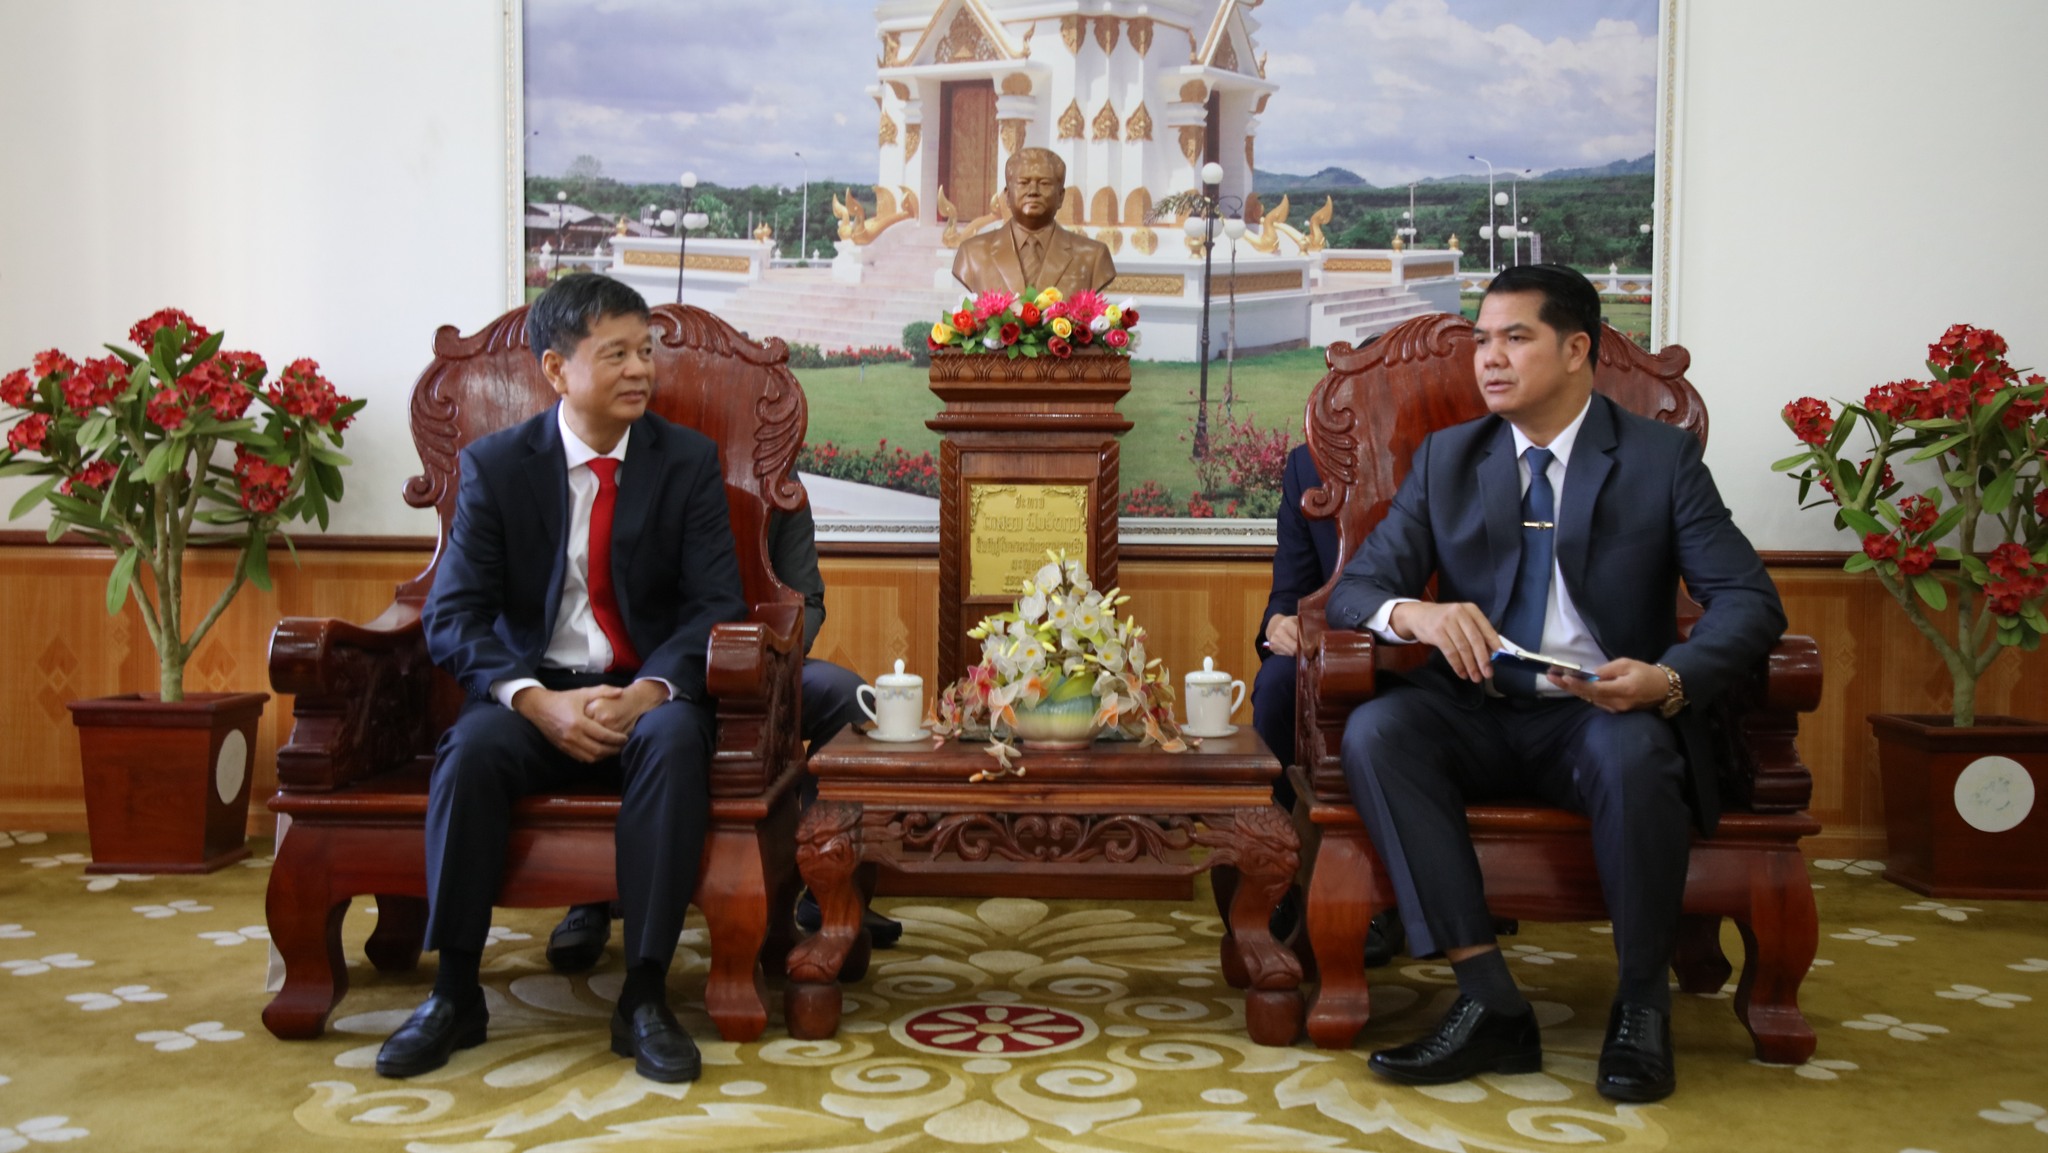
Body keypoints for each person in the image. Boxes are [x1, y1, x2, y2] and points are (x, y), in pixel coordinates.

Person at [1325, 264, 1785, 1103]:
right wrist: (1418, 615)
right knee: (1379, 731)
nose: (1489, 358)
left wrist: (1667, 679)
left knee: (1634, 753)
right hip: (1479, 707)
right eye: (1481, 340)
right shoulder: (1449, 458)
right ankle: (1489, 999)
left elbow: (1751, 602)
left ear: (1577, 350)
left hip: (1600, 713)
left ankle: (1641, 1008)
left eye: (1515, 337)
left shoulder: (1659, 459)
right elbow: (1357, 590)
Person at [377, 273, 746, 1084]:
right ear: (555, 369)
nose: (640, 369)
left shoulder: (686, 462)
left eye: (645, 351)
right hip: (534, 693)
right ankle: (454, 991)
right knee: (470, 750)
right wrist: (536, 701)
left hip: (645, 693)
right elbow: (454, 616)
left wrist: (647, 691)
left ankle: (644, 993)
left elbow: (715, 606)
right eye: (615, 354)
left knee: (676, 742)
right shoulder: (496, 466)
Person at [544, 494, 905, 970]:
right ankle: (589, 899)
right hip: (652, 669)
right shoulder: (643, 466)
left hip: (758, 657)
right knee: (603, 705)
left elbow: (807, 599)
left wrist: (767, 653)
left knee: (853, 700)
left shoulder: (778, 479)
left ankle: (830, 892)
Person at [1251, 439, 1405, 967]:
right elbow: (1290, 587)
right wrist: (1278, 622)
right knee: (1276, 687)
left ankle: (1386, 891)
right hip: (1330, 643)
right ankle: (1283, 877)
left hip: (1417, 644)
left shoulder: (1441, 444)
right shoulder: (1308, 462)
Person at [951, 147, 1115, 298]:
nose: (1033, 192)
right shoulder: (972, 254)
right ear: (1007, 196)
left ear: (1061, 196)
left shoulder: (1093, 256)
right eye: (1023, 183)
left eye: (1044, 183)